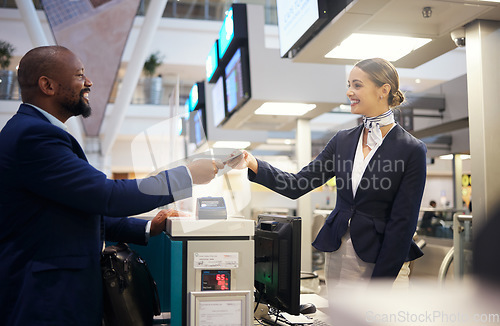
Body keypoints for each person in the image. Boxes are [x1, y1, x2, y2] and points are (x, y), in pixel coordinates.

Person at [0, 46, 223, 326]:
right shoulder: (33, 136)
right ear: (48, 85)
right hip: (45, 302)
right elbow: (106, 196)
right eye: (80, 75)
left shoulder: (33, 131)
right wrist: (185, 176)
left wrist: (145, 227)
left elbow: (81, 208)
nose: (89, 82)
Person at [231, 58, 427, 291]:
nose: (349, 92)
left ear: (383, 90)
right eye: (349, 85)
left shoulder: (411, 149)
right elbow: (297, 184)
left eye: (357, 85)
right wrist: (254, 164)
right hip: (339, 255)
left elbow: (403, 223)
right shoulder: (342, 141)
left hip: (384, 261)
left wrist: (380, 286)